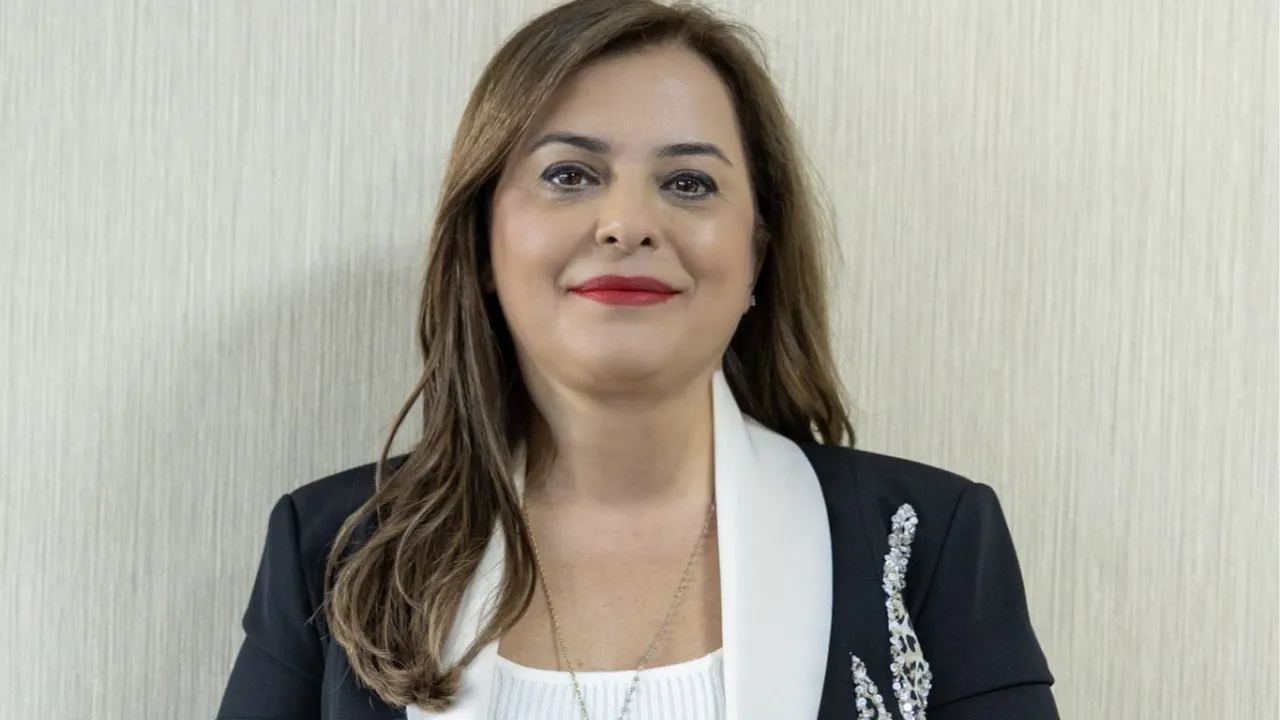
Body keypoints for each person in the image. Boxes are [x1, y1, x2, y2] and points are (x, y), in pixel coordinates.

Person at [215, 0, 1057, 718]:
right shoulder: (333, 550)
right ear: (482, 242)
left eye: (688, 183)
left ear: (757, 256)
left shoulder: (930, 542)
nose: (627, 224)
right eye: (569, 174)